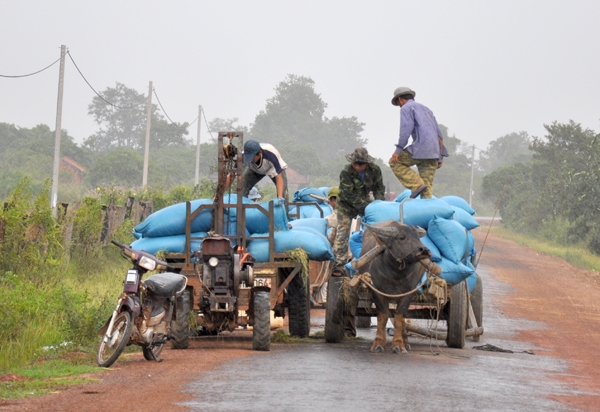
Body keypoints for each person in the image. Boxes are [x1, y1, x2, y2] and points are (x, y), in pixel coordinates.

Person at [388, 87, 448, 199]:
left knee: (394, 162)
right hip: (433, 153)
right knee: (427, 188)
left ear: (400, 99)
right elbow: (439, 134)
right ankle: (427, 213)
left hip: (420, 148)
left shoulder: (406, 108)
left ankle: (416, 184)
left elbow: (405, 130)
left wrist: (398, 150)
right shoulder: (427, 110)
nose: (400, 105)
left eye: (398, 103)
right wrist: (440, 155)